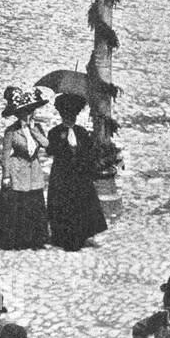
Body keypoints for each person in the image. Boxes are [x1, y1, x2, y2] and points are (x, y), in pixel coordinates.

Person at [45, 93, 107, 251]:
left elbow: (88, 152)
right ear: (61, 115)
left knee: (80, 204)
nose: (70, 119)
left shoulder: (81, 132)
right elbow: (50, 151)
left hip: (79, 174)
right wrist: (61, 141)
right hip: (62, 174)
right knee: (62, 204)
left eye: (72, 116)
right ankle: (62, 236)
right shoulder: (54, 132)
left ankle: (80, 235)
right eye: (66, 115)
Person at [0, 87, 50, 250]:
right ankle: (17, 239)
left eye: (31, 111)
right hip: (18, 170)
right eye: (26, 112)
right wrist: (6, 175)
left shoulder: (37, 129)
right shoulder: (11, 131)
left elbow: (46, 144)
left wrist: (32, 130)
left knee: (34, 204)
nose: (30, 115)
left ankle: (35, 239)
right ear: (19, 114)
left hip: (34, 169)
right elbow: (5, 154)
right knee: (20, 205)